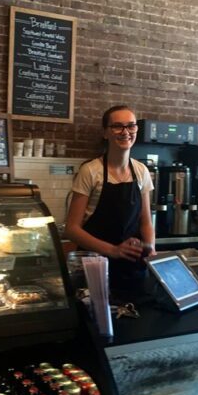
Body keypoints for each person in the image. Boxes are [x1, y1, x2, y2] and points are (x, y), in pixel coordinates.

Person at [65, 105, 156, 291]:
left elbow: (146, 222)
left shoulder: (141, 171)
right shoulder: (90, 171)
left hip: (131, 267)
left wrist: (151, 249)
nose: (125, 132)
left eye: (131, 126)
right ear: (105, 133)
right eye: (117, 126)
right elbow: (72, 229)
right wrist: (113, 250)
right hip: (95, 266)